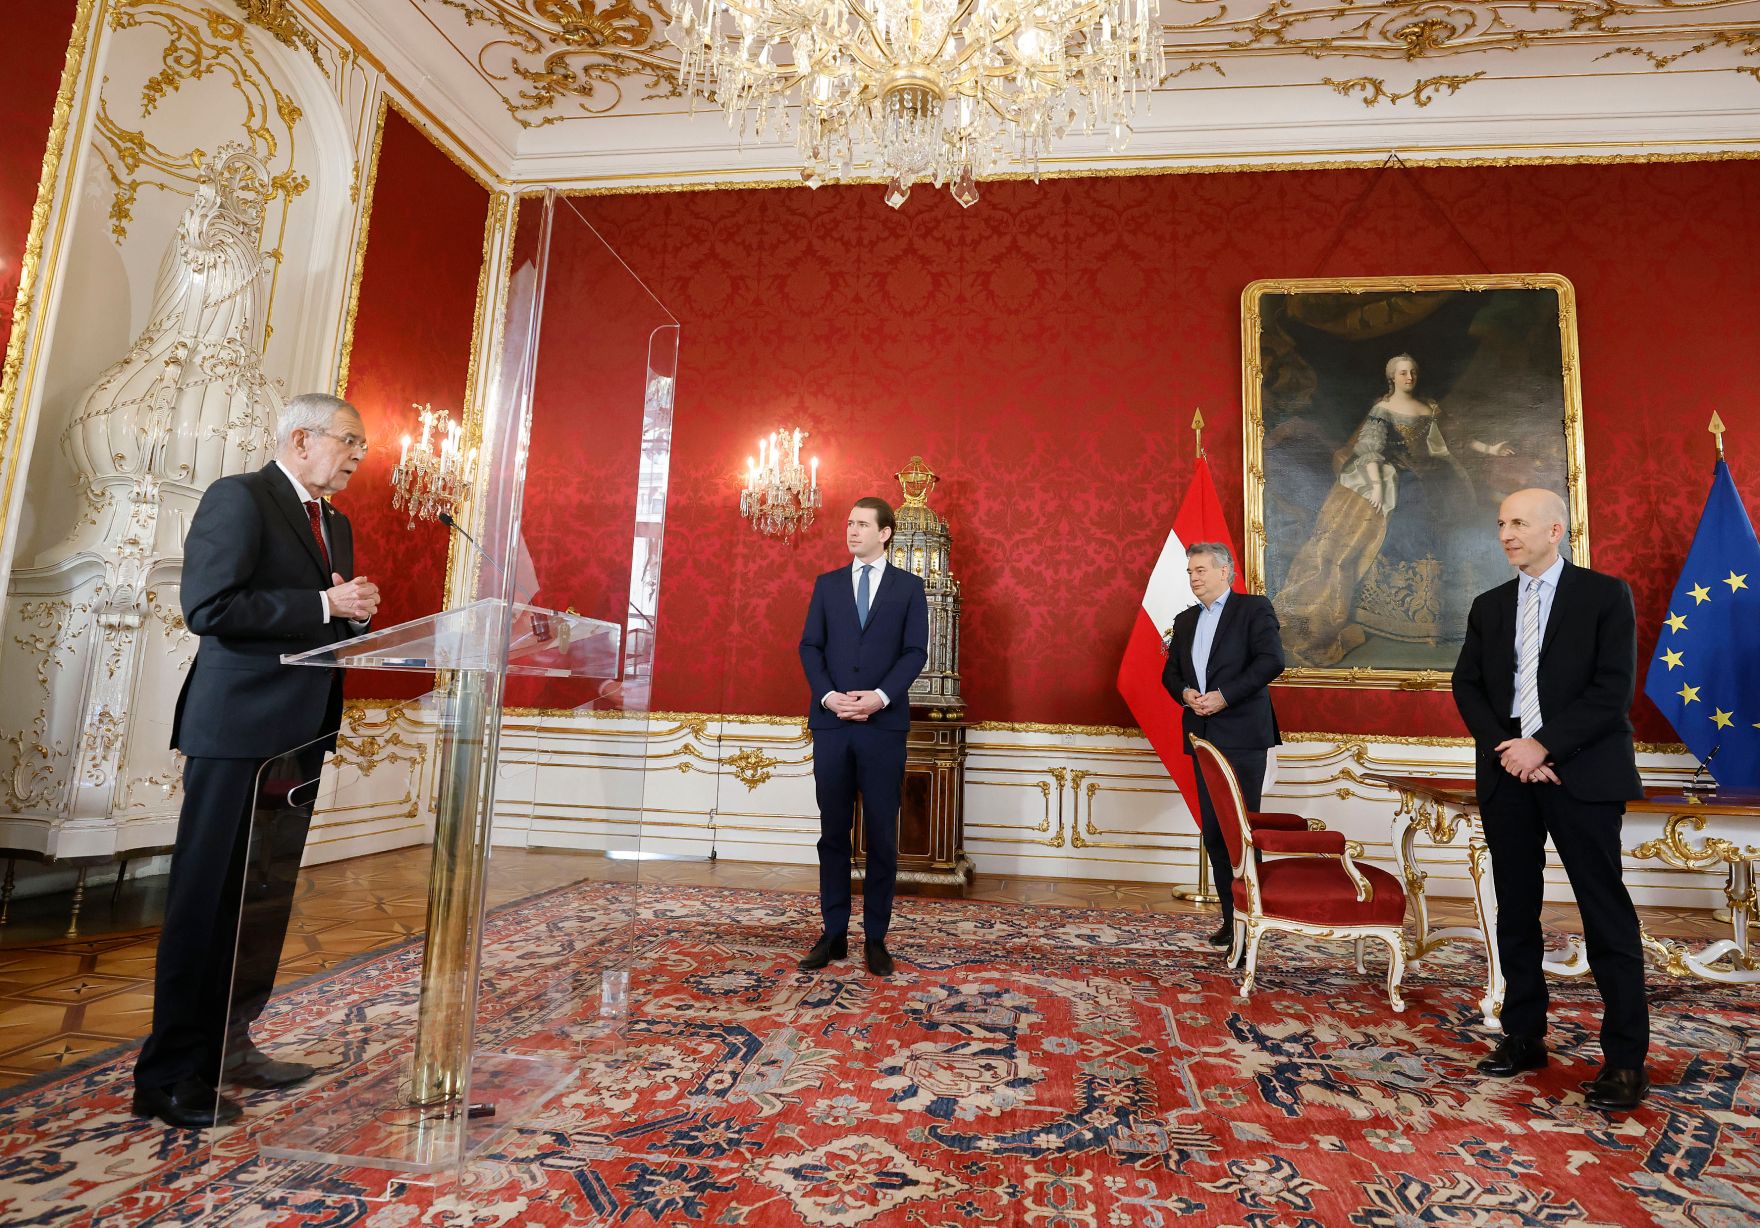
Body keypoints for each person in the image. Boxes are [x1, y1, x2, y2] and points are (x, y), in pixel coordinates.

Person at [132, 393, 380, 1129]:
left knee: (260, 904)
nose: (358, 457)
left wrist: (354, 610)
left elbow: (318, 611)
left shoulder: (334, 522)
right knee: (205, 905)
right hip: (235, 733)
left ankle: (232, 1045)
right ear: (301, 439)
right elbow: (209, 607)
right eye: (350, 441)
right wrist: (323, 607)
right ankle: (169, 1075)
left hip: (296, 736)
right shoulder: (239, 498)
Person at [1451, 487, 1649, 1111]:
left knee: (1604, 911)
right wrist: (1511, 748)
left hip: (1582, 774)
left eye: (1518, 523)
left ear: (1555, 530)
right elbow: (1468, 685)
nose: (1506, 533)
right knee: (1516, 907)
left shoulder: (1604, 595)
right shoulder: (1488, 605)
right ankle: (1524, 1035)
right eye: (1501, 522)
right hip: (1508, 774)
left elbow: (1612, 691)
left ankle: (1623, 1061)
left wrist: (1544, 746)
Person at [1280, 353, 1514, 666]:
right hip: (1398, 481)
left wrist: (1490, 449)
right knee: (1407, 527)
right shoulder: (1383, 409)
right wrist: (1377, 486)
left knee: (1448, 533)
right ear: (1393, 377)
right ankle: (1394, 611)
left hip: (1434, 479)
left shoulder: (1429, 407)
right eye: (1403, 373)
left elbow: (1455, 439)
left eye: (1413, 372)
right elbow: (1370, 450)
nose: (1409, 377)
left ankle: (1445, 616)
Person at [798, 497, 929, 977]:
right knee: (832, 834)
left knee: (881, 836)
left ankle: (876, 938)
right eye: (848, 523)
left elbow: (915, 652)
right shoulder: (827, 585)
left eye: (861, 524)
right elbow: (809, 645)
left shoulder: (909, 588)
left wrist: (879, 696)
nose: (851, 531)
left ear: (885, 533)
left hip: (881, 727)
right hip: (832, 725)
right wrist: (830, 697)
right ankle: (833, 935)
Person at [1160, 542, 1285, 951]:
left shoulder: (1253, 610)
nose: (1193, 578)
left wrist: (1224, 695)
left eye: (1200, 570)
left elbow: (1271, 662)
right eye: (1190, 572)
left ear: (1224, 571)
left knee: (1242, 832)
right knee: (1214, 833)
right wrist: (1186, 693)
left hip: (1244, 736)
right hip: (1202, 737)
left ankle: (1254, 921)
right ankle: (1232, 922)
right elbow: (1170, 673)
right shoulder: (1185, 619)